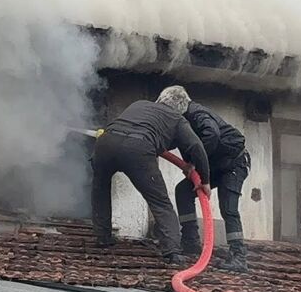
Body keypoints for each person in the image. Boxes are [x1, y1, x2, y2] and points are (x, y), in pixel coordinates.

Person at [91, 98, 211, 265]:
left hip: (106, 142)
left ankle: (102, 237)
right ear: (181, 109)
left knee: (100, 189)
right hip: (138, 148)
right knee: (160, 202)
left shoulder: (139, 104)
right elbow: (196, 146)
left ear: (160, 100)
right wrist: (204, 179)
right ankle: (173, 252)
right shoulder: (177, 118)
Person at [156, 86, 253, 273]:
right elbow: (171, 142)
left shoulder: (197, 114)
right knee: (183, 190)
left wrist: (194, 162)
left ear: (175, 107)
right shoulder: (182, 121)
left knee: (228, 207)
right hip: (217, 165)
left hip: (234, 163)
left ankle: (239, 256)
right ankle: (190, 240)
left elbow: (212, 135)